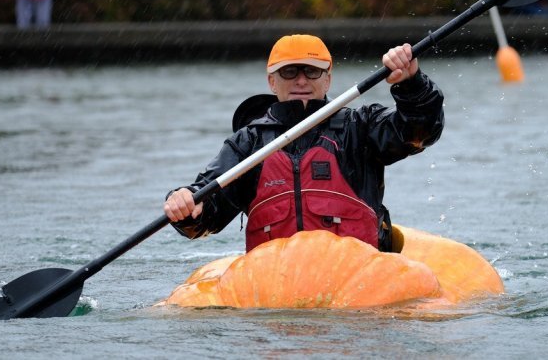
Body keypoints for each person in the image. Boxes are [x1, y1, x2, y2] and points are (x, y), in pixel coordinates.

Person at [163, 34, 445, 253]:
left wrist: (411, 83)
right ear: (272, 82)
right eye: (289, 72)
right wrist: (187, 207)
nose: (301, 80)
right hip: (278, 282)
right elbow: (207, 209)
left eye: (312, 71)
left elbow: (419, 130)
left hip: (358, 280)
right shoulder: (249, 143)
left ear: (328, 79)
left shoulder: (359, 127)